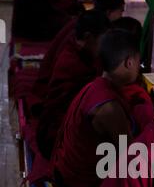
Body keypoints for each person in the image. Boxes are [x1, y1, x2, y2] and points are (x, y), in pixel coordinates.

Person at [50, 28, 154, 187]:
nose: (139, 67)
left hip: (68, 177)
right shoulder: (109, 108)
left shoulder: (93, 86)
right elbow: (132, 159)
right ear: (129, 62)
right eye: (139, 62)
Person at [36, 9, 109, 160]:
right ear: (88, 37)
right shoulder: (73, 63)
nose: (104, 48)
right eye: (103, 41)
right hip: (55, 138)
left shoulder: (80, 48)